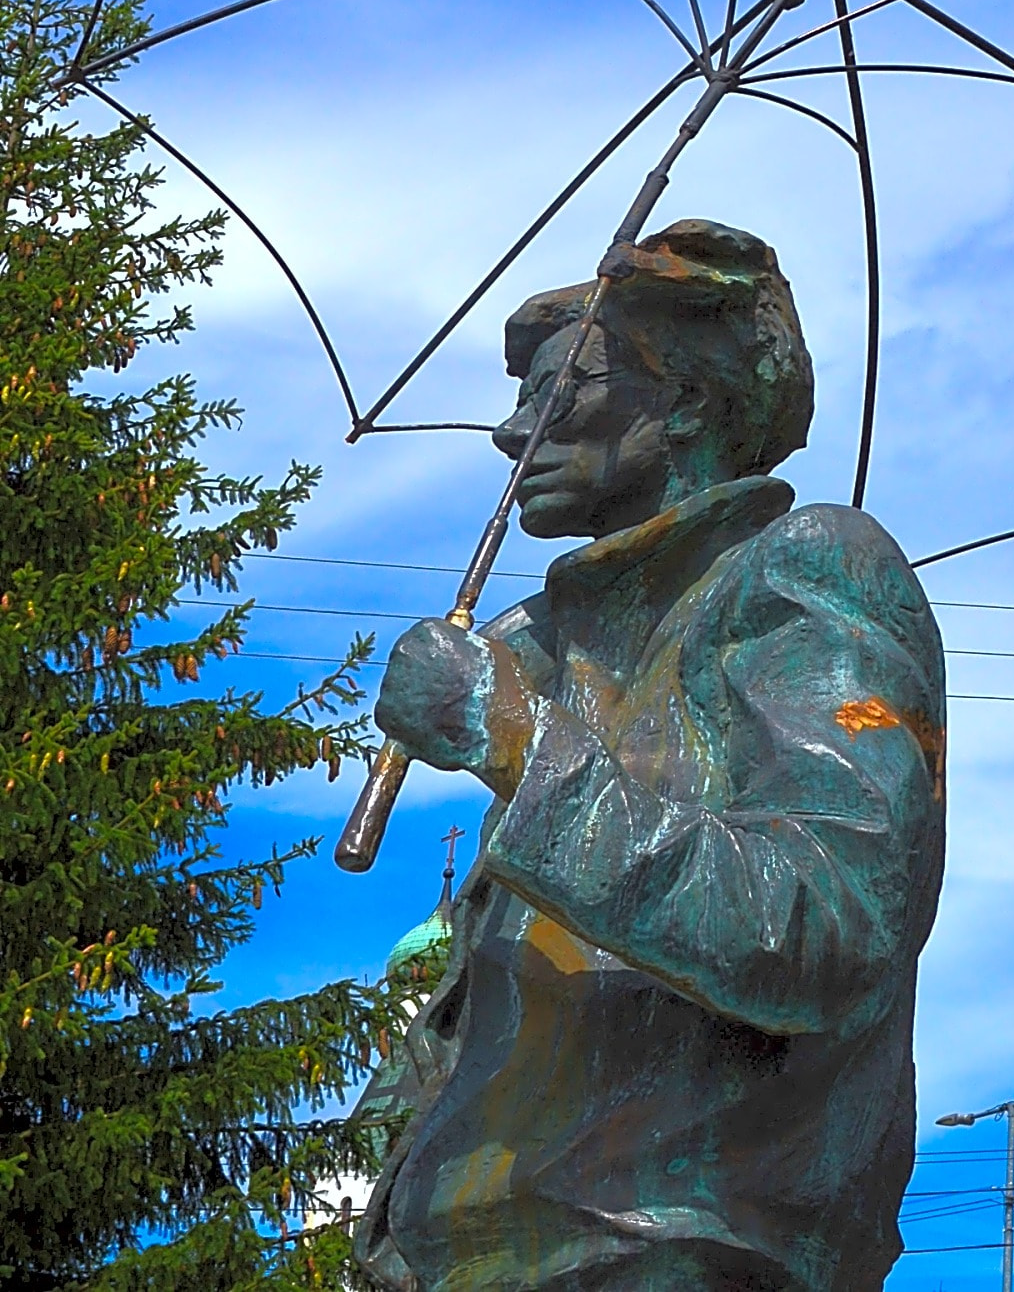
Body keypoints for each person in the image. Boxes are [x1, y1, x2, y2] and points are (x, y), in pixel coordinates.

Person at [354, 220, 946, 1292]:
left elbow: (831, 922)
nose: (513, 431)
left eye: (559, 391)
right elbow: (482, 999)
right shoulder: (544, 648)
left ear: (681, 402)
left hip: (673, 1250)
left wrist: (518, 745)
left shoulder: (807, 570)